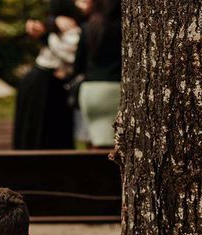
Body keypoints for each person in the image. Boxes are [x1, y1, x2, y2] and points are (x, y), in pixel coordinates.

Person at [13, 0, 82, 149]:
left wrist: (47, 31)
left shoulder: (78, 26)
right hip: (41, 82)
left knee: (55, 134)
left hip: (56, 84)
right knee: (35, 132)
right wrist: (51, 24)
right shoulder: (63, 23)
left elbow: (71, 54)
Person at [74, 0, 121, 147]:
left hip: (91, 89)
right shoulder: (125, 28)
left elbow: (78, 65)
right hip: (117, 87)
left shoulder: (88, 27)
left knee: (94, 140)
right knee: (116, 143)